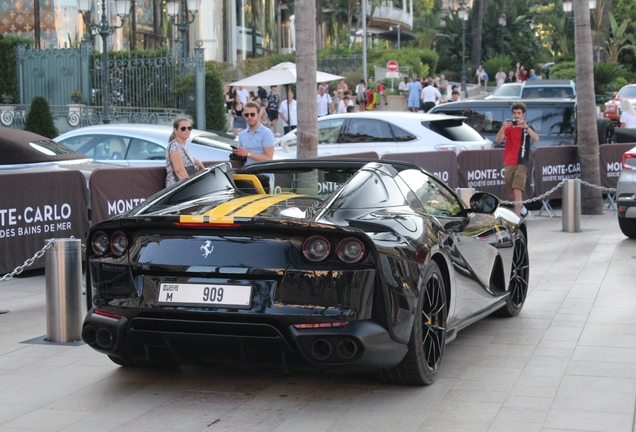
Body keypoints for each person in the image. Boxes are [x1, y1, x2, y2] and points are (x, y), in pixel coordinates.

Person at [495, 102, 539, 217]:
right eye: (515, 113)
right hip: (509, 161)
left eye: (519, 113)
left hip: (522, 160)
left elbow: (536, 138)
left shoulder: (527, 127)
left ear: (523, 114)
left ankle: (516, 215)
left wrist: (526, 127)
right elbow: (499, 140)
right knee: (510, 191)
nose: (517, 116)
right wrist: (503, 127)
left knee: (517, 188)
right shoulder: (509, 127)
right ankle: (523, 209)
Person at [165, 115, 204, 187]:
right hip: (177, 188)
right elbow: (178, 170)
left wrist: (194, 160)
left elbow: (183, 160)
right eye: (183, 128)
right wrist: (190, 186)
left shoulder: (182, 146)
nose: (187, 130)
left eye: (189, 128)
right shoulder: (175, 146)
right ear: (175, 130)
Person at [233, 101, 275, 165]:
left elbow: (269, 158)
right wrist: (237, 152)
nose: (249, 117)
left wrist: (248, 153)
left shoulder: (267, 133)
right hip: (247, 172)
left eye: (252, 114)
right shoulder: (242, 134)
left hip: (263, 173)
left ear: (258, 115)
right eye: (246, 115)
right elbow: (242, 155)